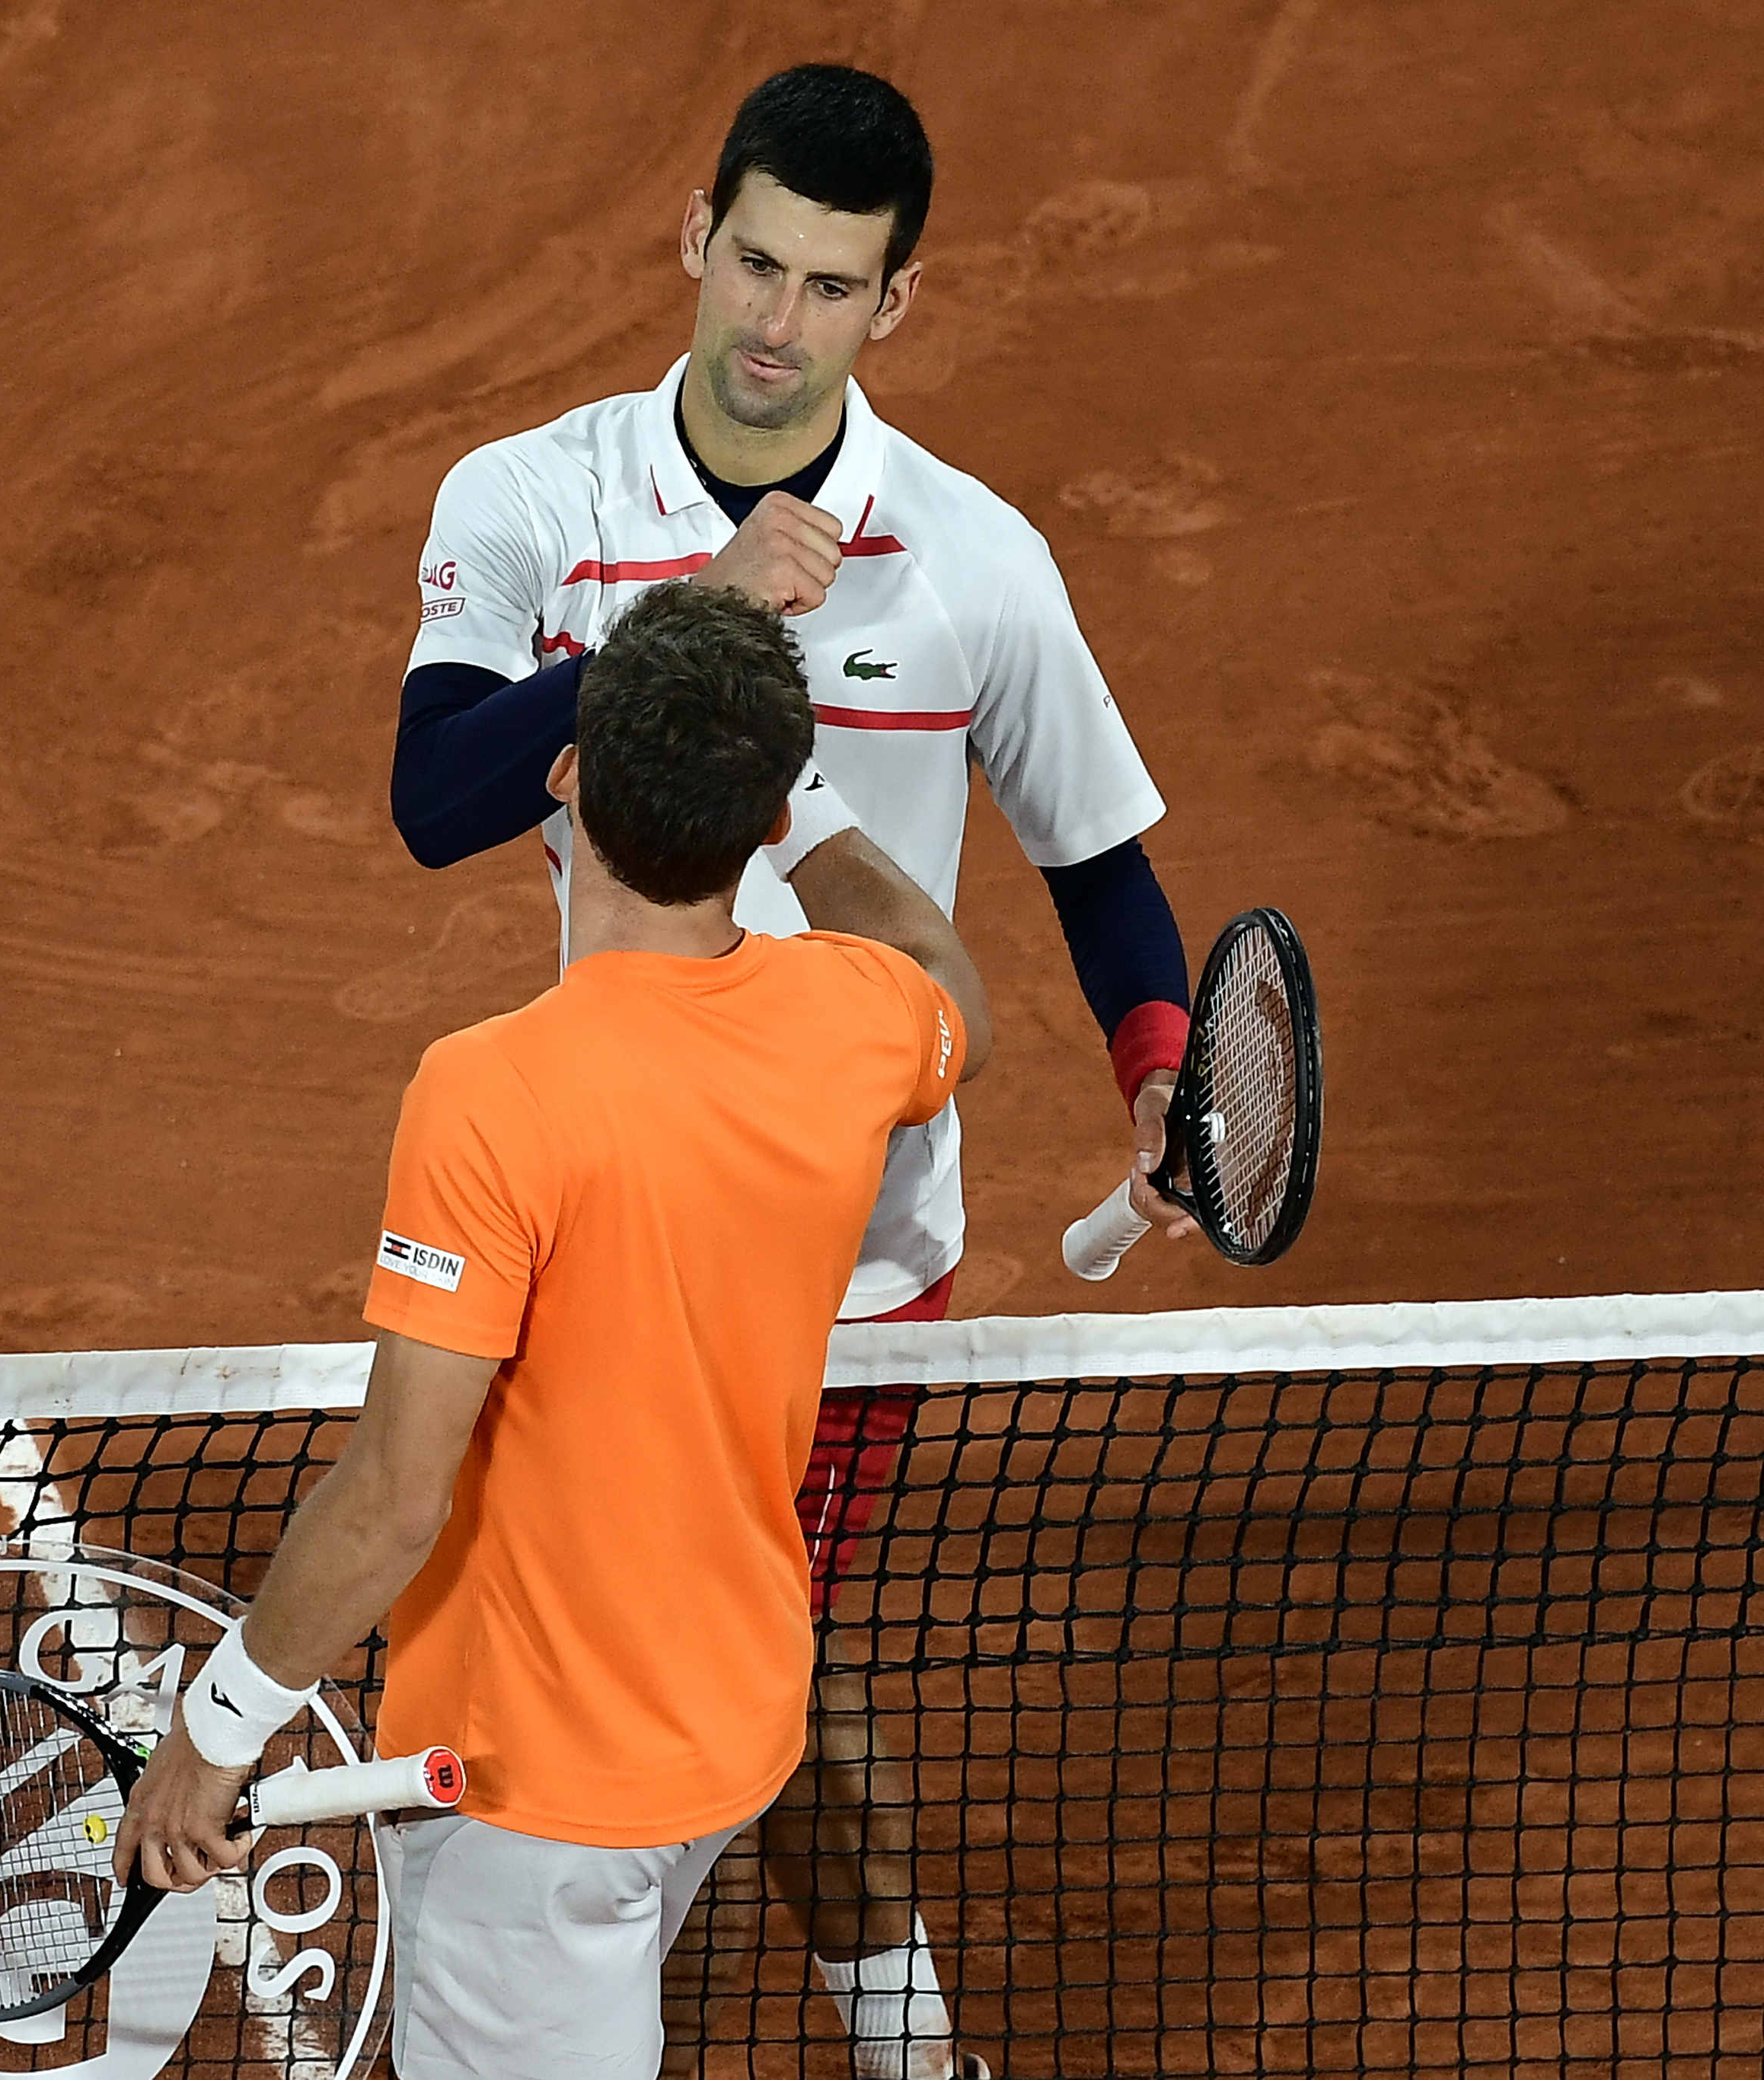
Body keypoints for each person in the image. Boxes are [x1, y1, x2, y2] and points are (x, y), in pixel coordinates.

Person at [388, 62, 1197, 2078]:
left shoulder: (976, 566)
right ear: (694, 234)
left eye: (832, 288)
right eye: (753, 264)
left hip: (849, 1265)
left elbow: (1100, 869)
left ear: (892, 305)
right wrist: (688, 617)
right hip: (587, 1215)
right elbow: (432, 797)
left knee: (743, 1670)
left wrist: (1162, 1064)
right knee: (675, 1674)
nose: (774, 324)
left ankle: (768, 2028)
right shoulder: (527, 500)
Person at [115, 582, 985, 2080]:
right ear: (765, 813)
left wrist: (217, 1724)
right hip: (732, 1727)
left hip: (529, 1790)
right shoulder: (851, 1023)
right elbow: (945, 978)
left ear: (564, 775)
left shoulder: (492, 1092)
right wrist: (812, 812)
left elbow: (393, 1496)